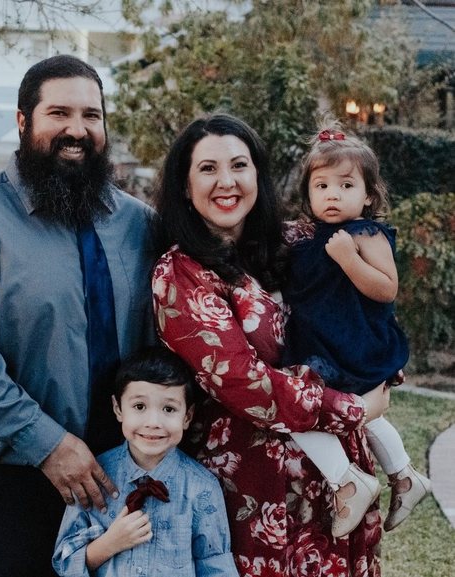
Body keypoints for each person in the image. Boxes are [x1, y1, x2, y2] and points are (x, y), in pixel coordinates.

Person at [0, 55, 156, 577]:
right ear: (23, 122)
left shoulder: (141, 225)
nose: (77, 130)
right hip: (8, 483)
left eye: (91, 115)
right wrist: (46, 443)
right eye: (58, 113)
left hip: (122, 478)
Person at [151, 113, 391, 577]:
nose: (227, 181)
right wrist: (355, 407)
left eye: (239, 165)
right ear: (184, 185)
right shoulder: (181, 274)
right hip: (253, 486)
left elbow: (368, 303)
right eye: (208, 168)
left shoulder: (299, 240)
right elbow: (244, 383)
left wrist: (382, 367)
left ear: (257, 174)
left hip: (336, 483)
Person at [282, 122, 431, 536]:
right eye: (322, 185)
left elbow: (387, 288)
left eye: (346, 185)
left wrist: (350, 260)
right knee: (350, 412)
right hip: (320, 342)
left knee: (296, 410)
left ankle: (347, 482)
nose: (332, 194)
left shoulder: (365, 233)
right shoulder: (311, 238)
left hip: (352, 342)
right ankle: (404, 476)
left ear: (368, 195)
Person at [52, 346, 239, 577]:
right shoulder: (92, 476)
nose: (153, 422)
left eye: (169, 409)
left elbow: (216, 567)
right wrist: (109, 544)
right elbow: (64, 562)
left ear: (187, 416)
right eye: (139, 407)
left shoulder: (202, 488)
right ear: (118, 409)